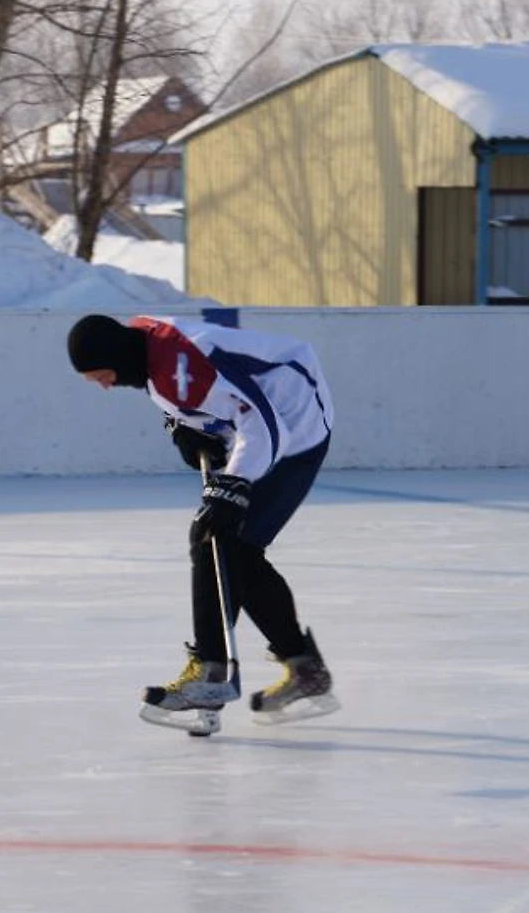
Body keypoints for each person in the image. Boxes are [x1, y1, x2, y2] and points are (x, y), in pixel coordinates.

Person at [66, 312, 339, 728]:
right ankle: (301, 669)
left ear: (115, 356)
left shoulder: (180, 368)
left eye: (102, 376)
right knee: (233, 550)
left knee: (217, 537)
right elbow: (212, 394)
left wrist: (234, 483)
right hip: (266, 412)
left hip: (295, 423)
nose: (105, 386)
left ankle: (211, 670)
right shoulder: (142, 344)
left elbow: (265, 425)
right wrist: (185, 424)